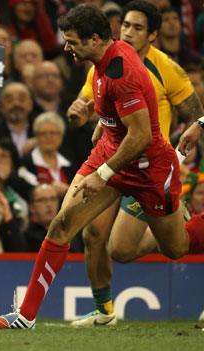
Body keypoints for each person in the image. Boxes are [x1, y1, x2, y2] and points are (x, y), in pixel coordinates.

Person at [0, 4, 204, 330]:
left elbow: (141, 135)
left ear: (96, 39)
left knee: (175, 247)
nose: (67, 47)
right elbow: (117, 112)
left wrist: (103, 174)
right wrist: (104, 120)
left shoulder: (122, 73)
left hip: (148, 168)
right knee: (62, 225)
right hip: (110, 154)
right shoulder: (104, 59)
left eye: (72, 42)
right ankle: (25, 317)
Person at [68, 0, 204, 327]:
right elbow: (88, 99)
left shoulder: (166, 68)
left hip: (148, 169)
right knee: (92, 234)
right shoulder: (104, 62)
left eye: (138, 28)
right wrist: (80, 111)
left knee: (123, 250)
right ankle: (104, 313)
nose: (128, 32)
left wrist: (198, 126)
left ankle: (175, 222)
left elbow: (196, 111)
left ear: (153, 35)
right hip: (112, 162)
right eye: (125, 25)